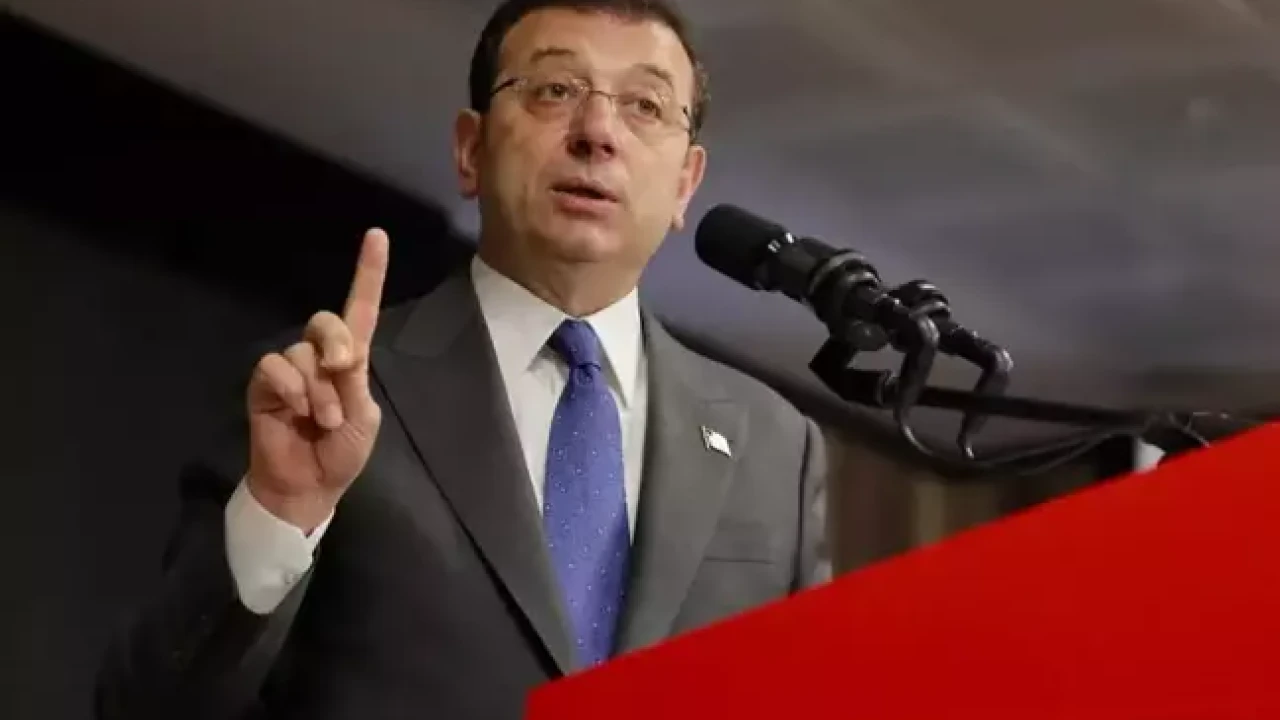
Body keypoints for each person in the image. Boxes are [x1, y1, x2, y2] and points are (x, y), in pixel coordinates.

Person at [95, 1, 831, 718]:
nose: (599, 132)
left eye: (645, 105)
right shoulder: (319, 397)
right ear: (470, 150)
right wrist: (282, 515)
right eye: (555, 89)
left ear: (685, 183)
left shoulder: (776, 451)